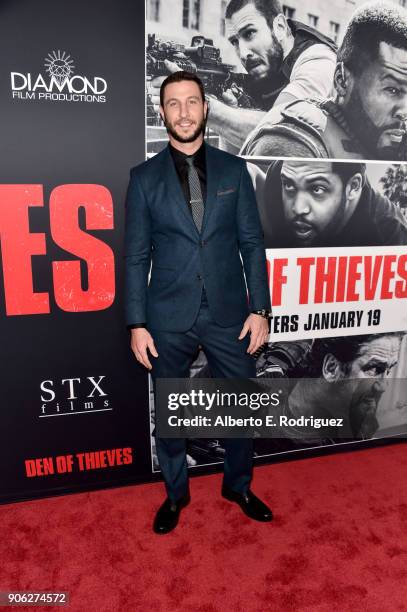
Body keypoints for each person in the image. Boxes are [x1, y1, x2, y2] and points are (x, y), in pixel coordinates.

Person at [124, 70, 272, 534]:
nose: (184, 112)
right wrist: (136, 323)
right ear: (161, 111)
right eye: (174, 103)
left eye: (192, 101)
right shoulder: (144, 178)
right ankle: (175, 493)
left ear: (206, 108)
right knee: (170, 413)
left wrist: (261, 309)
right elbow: (134, 256)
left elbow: (252, 243)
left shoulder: (234, 170)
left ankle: (238, 485)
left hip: (230, 313)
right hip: (167, 316)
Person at [148, 0, 336, 151]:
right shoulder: (269, 70)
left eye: (250, 33)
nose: (243, 52)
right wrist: (230, 110)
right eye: (235, 42)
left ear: (279, 26)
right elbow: (241, 158)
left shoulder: (317, 60)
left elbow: (280, 133)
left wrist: (204, 108)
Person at [240, 1, 407, 160]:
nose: (404, 112)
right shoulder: (293, 143)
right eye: (392, 90)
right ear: (342, 80)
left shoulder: (387, 142)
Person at [259, 159, 407, 247]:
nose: (298, 208)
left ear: (353, 187)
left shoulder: (390, 237)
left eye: (317, 189)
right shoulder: (279, 177)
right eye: (290, 186)